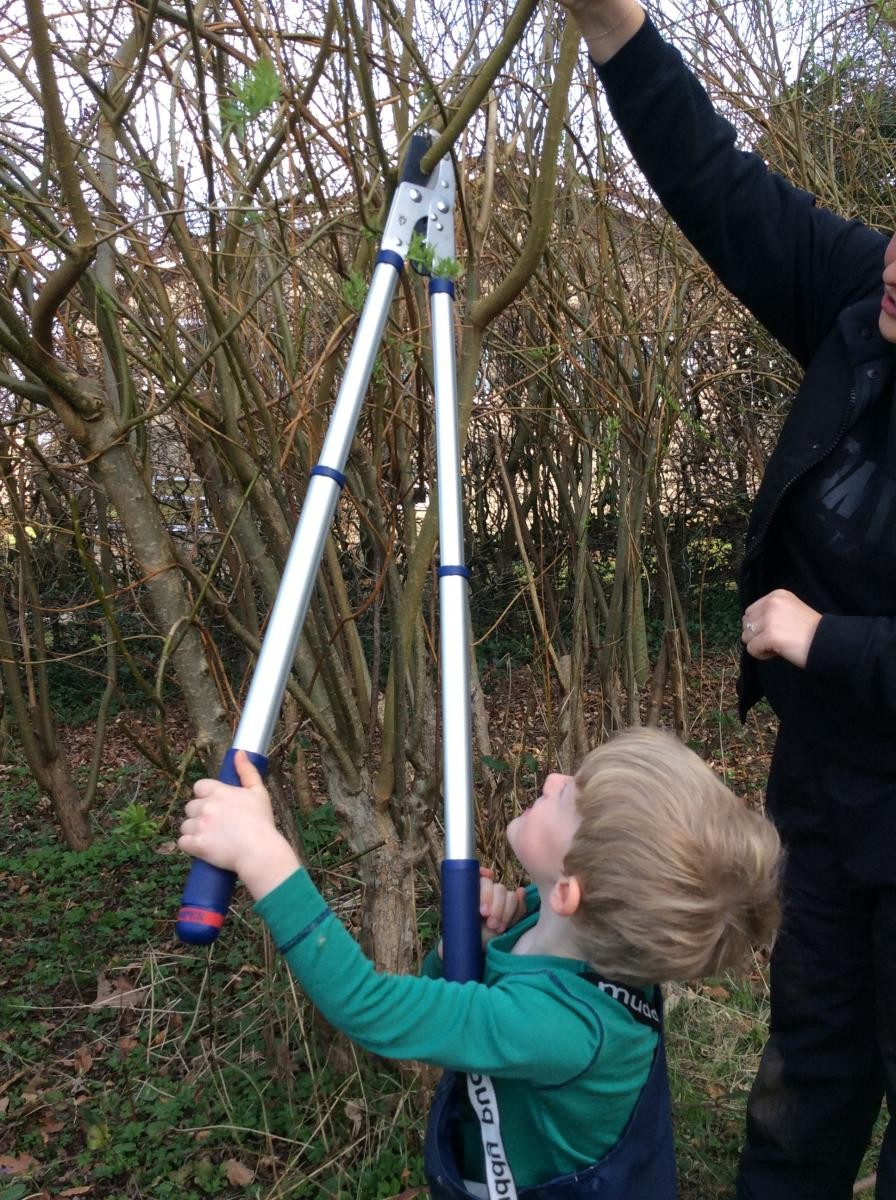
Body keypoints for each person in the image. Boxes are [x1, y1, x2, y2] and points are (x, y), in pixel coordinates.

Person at [557, 2, 896, 1197]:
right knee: (809, 1052)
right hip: (826, 778)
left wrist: (825, 639)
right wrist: (617, 31)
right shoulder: (864, 302)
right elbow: (726, 195)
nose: (894, 267)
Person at [179, 727, 781, 1198]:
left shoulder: (562, 1029)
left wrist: (262, 855)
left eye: (568, 796)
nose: (550, 778)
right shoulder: (582, 926)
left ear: (574, 890)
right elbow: (457, 983)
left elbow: (369, 1005)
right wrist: (495, 931)